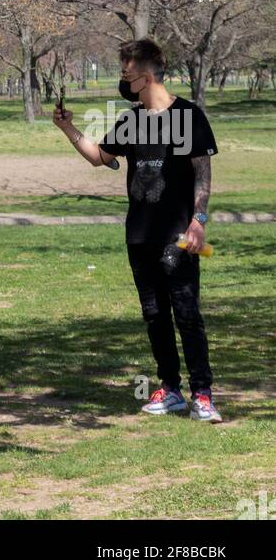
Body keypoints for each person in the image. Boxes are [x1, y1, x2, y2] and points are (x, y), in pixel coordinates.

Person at [54, 38, 221, 422]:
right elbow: (101, 158)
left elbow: (203, 174)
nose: (122, 79)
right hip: (139, 235)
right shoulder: (131, 120)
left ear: (145, 77)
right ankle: (171, 388)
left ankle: (203, 394)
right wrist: (68, 128)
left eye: (127, 73)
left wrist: (199, 222)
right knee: (154, 314)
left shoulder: (189, 116)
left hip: (178, 236)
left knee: (187, 313)